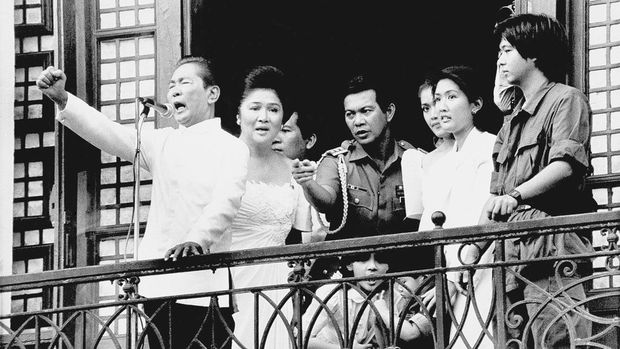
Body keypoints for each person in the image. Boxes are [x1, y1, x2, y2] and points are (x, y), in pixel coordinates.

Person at [36, 57, 249, 348]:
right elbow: (109, 133)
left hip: (206, 284)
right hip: (160, 286)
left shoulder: (232, 147)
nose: (174, 90)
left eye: (185, 83)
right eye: (171, 85)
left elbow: (227, 200)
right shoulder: (162, 142)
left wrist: (197, 240)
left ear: (212, 94)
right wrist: (63, 99)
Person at [483, 13, 595, 348]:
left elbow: (565, 165)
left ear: (532, 53)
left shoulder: (565, 99)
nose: (500, 59)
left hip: (551, 244)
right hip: (511, 252)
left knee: (560, 338)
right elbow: (495, 195)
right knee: (515, 341)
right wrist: (474, 249)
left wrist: (516, 195)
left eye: (506, 50)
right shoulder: (511, 121)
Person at [222, 65, 312, 349]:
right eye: (255, 108)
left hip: (280, 287)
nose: (264, 117)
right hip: (230, 286)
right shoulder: (219, 163)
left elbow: (305, 244)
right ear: (238, 114)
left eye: (273, 110)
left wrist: (297, 293)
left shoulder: (293, 171)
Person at [413, 66, 497, 349]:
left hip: (483, 263)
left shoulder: (488, 147)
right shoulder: (444, 160)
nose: (441, 107)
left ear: (475, 104)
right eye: (437, 99)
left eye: (451, 97)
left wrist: (455, 273)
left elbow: (482, 213)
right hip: (455, 270)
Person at [302, 252, 392, 349]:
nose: (372, 267)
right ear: (349, 265)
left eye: (380, 260)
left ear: (387, 267)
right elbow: (304, 341)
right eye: (363, 259)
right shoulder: (331, 294)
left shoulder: (387, 295)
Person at [401, 78, 455, 222]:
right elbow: (419, 219)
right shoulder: (420, 160)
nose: (433, 115)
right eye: (426, 108)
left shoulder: (486, 144)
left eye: (437, 102)